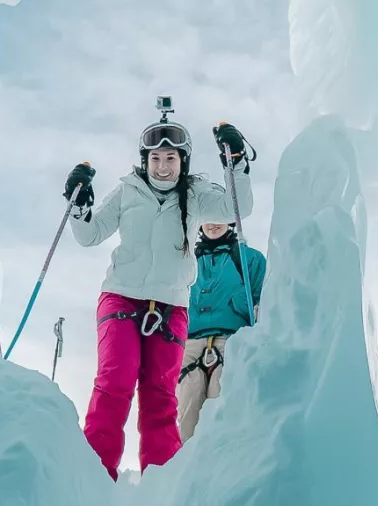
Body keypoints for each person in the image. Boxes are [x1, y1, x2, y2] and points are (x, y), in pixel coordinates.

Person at [62, 108, 256, 481]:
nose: (163, 166)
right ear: (145, 160)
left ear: (182, 160)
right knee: (115, 380)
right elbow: (89, 235)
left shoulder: (197, 194)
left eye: (170, 158)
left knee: (160, 396)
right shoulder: (127, 191)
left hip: (170, 306)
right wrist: (79, 206)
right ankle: (96, 479)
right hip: (121, 297)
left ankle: (161, 486)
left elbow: (238, 208)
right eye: (155, 158)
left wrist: (236, 164)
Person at [175, 222, 265, 441]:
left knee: (221, 397)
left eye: (219, 217)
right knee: (188, 402)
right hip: (191, 343)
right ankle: (186, 466)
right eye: (207, 218)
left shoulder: (248, 259)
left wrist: (259, 310)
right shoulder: (185, 264)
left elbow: (265, 296)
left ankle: (221, 463)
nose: (213, 224)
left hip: (231, 341)